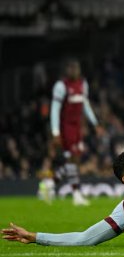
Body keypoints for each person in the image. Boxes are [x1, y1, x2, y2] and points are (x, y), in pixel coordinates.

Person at [50, 59, 104, 206]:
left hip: (77, 127)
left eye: (76, 68)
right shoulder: (61, 86)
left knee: (75, 160)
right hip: (66, 127)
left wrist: (95, 124)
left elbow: (85, 105)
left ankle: (49, 184)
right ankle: (76, 194)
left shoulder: (82, 84)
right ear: (67, 70)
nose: (74, 71)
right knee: (73, 159)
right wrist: (55, 132)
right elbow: (54, 110)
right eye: (71, 68)